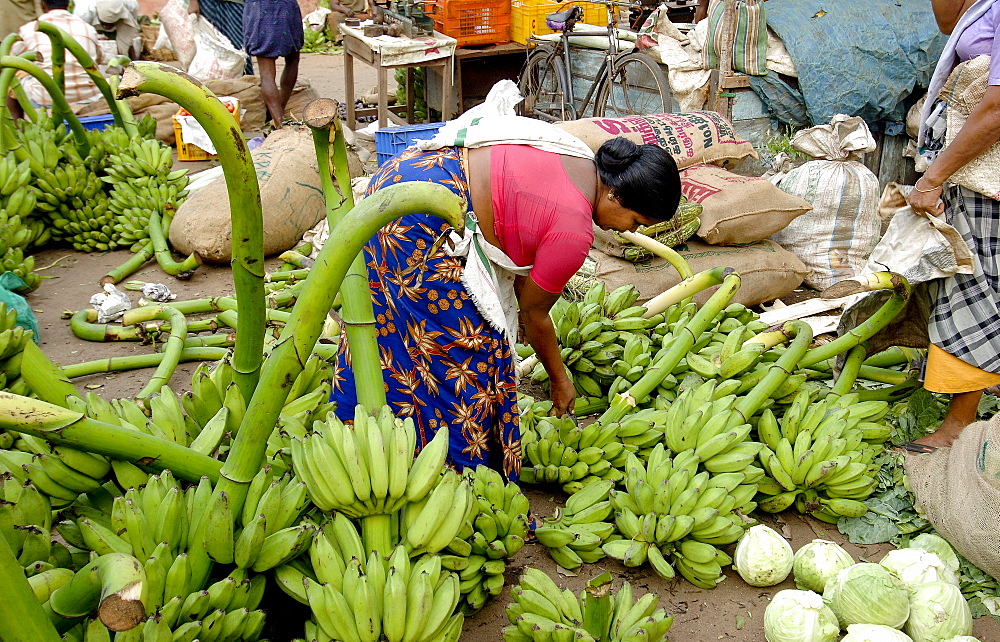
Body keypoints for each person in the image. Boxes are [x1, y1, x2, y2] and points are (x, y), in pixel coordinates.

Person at [330, 136, 681, 483]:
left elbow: (517, 227)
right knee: (467, 356)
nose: (627, 231)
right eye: (635, 221)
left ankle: (369, 428)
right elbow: (535, 315)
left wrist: (523, 303)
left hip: (405, 177)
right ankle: (459, 476)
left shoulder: (578, 159)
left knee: (389, 321)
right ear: (615, 194)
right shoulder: (573, 232)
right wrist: (560, 381)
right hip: (421, 217)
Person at [905, 0, 1000, 450]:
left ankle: (959, 424)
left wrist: (934, 176)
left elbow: (998, 107)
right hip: (975, 177)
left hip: (987, 182)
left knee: (975, 292)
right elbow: (949, 21)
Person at [6, 0, 104, 118]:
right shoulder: (87, 27)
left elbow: (11, 61)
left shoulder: (30, 29)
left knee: (10, 76)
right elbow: (99, 59)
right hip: (88, 96)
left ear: (42, 4)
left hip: (45, 99)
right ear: (69, 5)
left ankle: (18, 127)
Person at [242, 0, 303, 125]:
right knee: (292, 60)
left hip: (262, 10)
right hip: (288, 8)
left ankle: (279, 122)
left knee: (267, 74)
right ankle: (278, 115)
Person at [187, 0, 253, 75]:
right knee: (210, 43)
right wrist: (193, 2)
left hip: (237, 3)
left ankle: (245, 79)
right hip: (209, 4)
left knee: (240, 46)